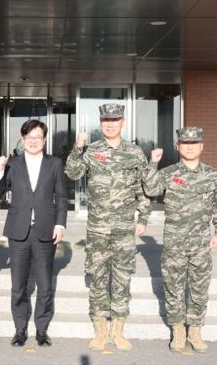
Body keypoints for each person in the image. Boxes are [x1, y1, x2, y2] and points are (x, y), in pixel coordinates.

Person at [65, 103, 159, 352]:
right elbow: (72, 173)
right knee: (97, 279)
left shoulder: (135, 153)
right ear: (101, 123)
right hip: (97, 229)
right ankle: (100, 332)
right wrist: (78, 148)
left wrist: (143, 219)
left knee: (121, 279)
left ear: (122, 123)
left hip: (124, 230)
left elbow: (142, 189)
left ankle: (117, 331)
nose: (110, 124)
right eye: (106, 120)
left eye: (115, 120)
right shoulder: (92, 150)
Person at [148, 127, 217, 353]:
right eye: (185, 143)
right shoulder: (168, 173)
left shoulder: (211, 175)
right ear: (178, 146)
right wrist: (153, 163)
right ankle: (178, 330)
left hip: (201, 244)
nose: (190, 147)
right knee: (173, 288)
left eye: (194, 143)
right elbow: (151, 189)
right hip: (174, 243)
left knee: (199, 288)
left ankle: (195, 330)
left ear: (201, 146)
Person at [0, 119, 68, 348]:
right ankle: (19, 329)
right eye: (29, 137)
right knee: (18, 285)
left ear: (44, 140)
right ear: (23, 139)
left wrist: (60, 224)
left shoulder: (54, 164)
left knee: (45, 285)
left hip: (46, 230)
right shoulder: (13, 163)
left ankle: (42, 330)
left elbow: (62, 197)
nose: (33, 141)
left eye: (37, 137)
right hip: (19, 230)